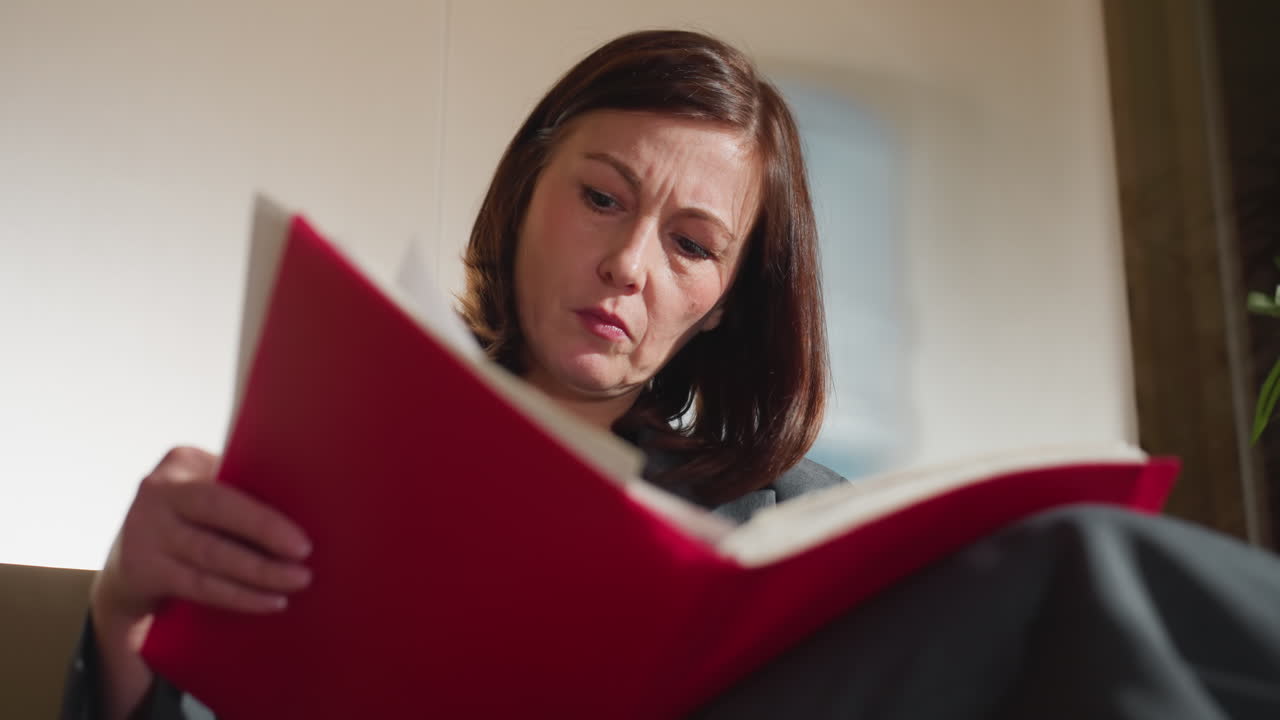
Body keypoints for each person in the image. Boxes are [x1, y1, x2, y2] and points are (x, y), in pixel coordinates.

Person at [63, 30, 1280, 720]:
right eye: (599, 198)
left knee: (1062, 559)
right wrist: (124, 614)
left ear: (720, 307)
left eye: (690, 245)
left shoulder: (790, 520)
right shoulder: (319, 470)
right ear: (525, 196)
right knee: (1075, 560)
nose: (628, 265)